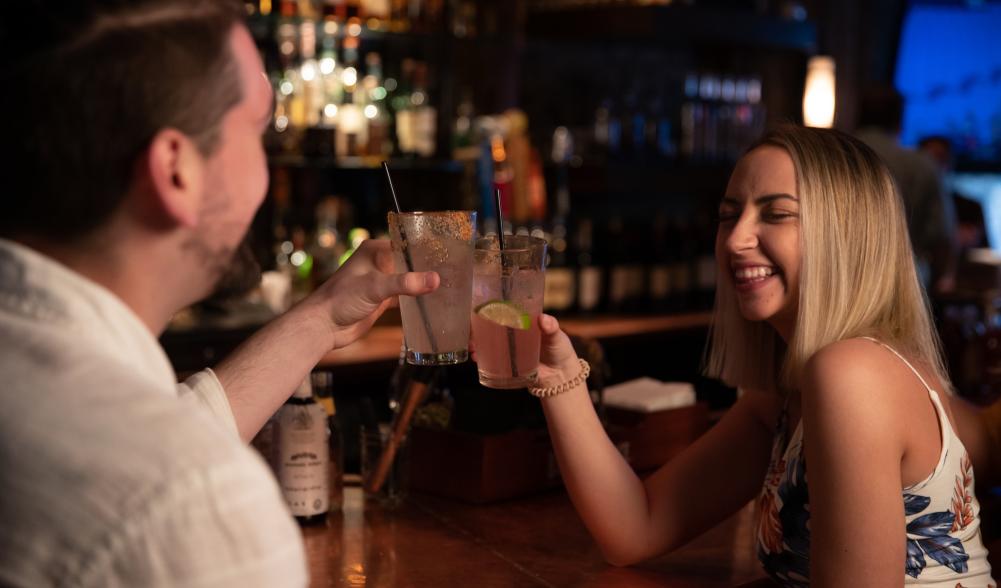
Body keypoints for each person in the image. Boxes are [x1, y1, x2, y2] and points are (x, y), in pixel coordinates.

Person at [0, 2, 438, 586]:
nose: (266, 171)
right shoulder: (196, 509)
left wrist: (321, 320)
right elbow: (163, 471)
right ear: (177, 171)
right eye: (255, 134)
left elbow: (158, 431)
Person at [520, 125, 995, 586]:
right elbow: (634, 528)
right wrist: (560, 378)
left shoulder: (854, 375)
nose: (735, 239)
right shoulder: (785, 397)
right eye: (729, 215)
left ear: (845, 232)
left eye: (775, 213)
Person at [855, 85, 959, 294]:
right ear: (899, 121)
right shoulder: (920, 165)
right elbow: (942, 236)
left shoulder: (830, 158)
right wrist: (941, 284)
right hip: (902, 284)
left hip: (834, 278)